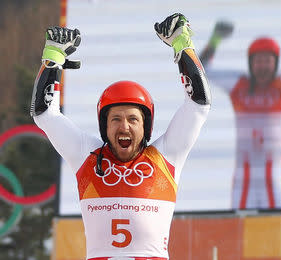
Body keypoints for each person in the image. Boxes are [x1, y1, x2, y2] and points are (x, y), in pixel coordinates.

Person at [30, 13, 211, 260]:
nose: (123, 127)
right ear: (104, 126)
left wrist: (183, 44)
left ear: (146, 127)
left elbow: (198, 104)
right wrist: (53, 58)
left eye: (133, 119)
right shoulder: (87, 156)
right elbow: (44, 113)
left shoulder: (166, 156)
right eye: (115, 119)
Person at [200, 4, 281, 209]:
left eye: (268, 61)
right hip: (244, 177)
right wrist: (215, 38)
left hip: (274, 178)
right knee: (239, 228)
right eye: (258, 61)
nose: (263, 66)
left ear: (276, 63)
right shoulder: (239, 86)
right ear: (250, 63)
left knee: (277, 230)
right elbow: (202, 69)